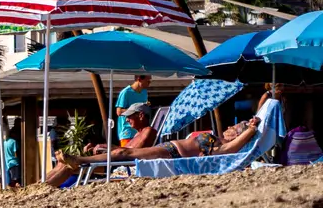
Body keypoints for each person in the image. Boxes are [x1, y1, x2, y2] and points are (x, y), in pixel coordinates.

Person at [40, 117, 262, 186]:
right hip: (167, 149)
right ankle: (39, 187)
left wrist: (251, 128)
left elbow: (235, 147)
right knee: (65, 166)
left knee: (122, 155)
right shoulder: (214, 137)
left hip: (171, 157)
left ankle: (79, 159)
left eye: (236, 128)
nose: (232, 127)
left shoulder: (221, 146)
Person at [115, 74, 152, 145]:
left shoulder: (144, 92)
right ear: (139, 79)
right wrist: (134, 111)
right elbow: (119, 111)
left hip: (140, 131)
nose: (149, 83)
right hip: (128, 131)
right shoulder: (126, 92)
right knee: (127, 154)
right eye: (148, 81)